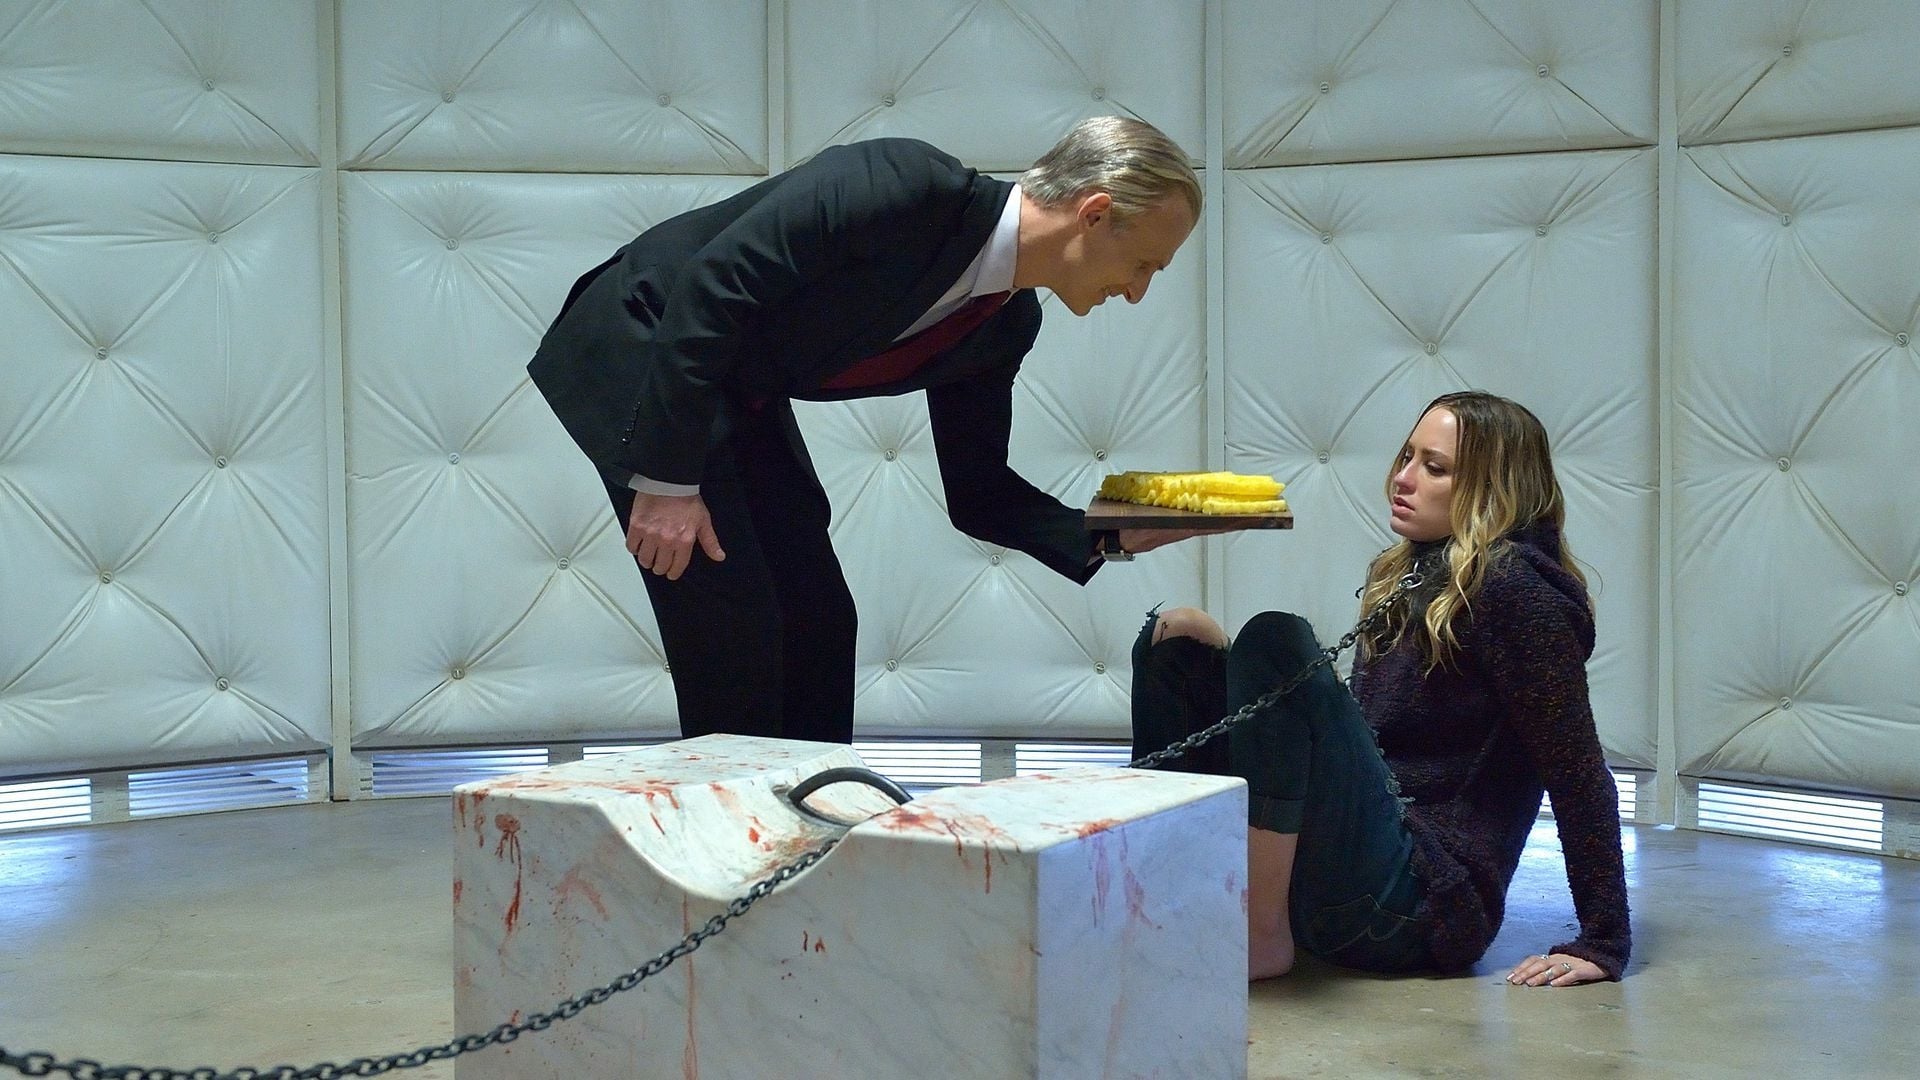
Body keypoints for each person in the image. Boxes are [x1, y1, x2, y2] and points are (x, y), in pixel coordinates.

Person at [529, 116, 1212, 744]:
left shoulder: (1005, 324)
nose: (1138, 291)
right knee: (737, 623)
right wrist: (667, 480)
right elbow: (714, 284)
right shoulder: (906, 183)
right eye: (1144, 264)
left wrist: (1109, 531)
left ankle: (817, 812)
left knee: (820, 617)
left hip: (733, 385)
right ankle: (735, 828)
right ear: (1094, 214)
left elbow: (978, 491)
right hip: (646, 340)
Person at [1130, 391, 1630, 985]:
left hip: (1418, 904)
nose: (1403, 478)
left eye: (1434, 468)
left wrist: (1603, 939)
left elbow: (1576, 769)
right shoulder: (1407, 570)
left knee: (1274, 640)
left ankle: (1259, 937)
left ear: (1494, 493)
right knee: (1178, 635)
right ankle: (1172, 898)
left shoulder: (1517, 592)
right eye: (1407, 456)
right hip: (1346, 870)